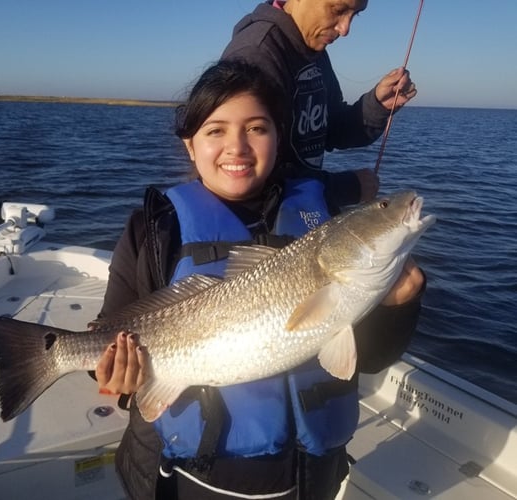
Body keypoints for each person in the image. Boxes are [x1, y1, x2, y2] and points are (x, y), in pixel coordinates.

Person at [94, 59, 425, 499]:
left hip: (313, 472)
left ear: (278, 138)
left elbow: (369, 359)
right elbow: (106, 342)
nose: (238, 147)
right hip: (199, 477)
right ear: (190, 145)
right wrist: (117, 379)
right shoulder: (154, 232)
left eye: (257, 128)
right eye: (216, 131)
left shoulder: (319, 223)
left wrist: (399, 307)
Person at [220, 0, 418, 211]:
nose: (345, 29)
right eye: (338, 10)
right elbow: (243, 174)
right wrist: (347, 188)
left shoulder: (313, 50)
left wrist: (378, 105)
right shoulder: (256, 55)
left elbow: (331, 130)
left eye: (355, 14)